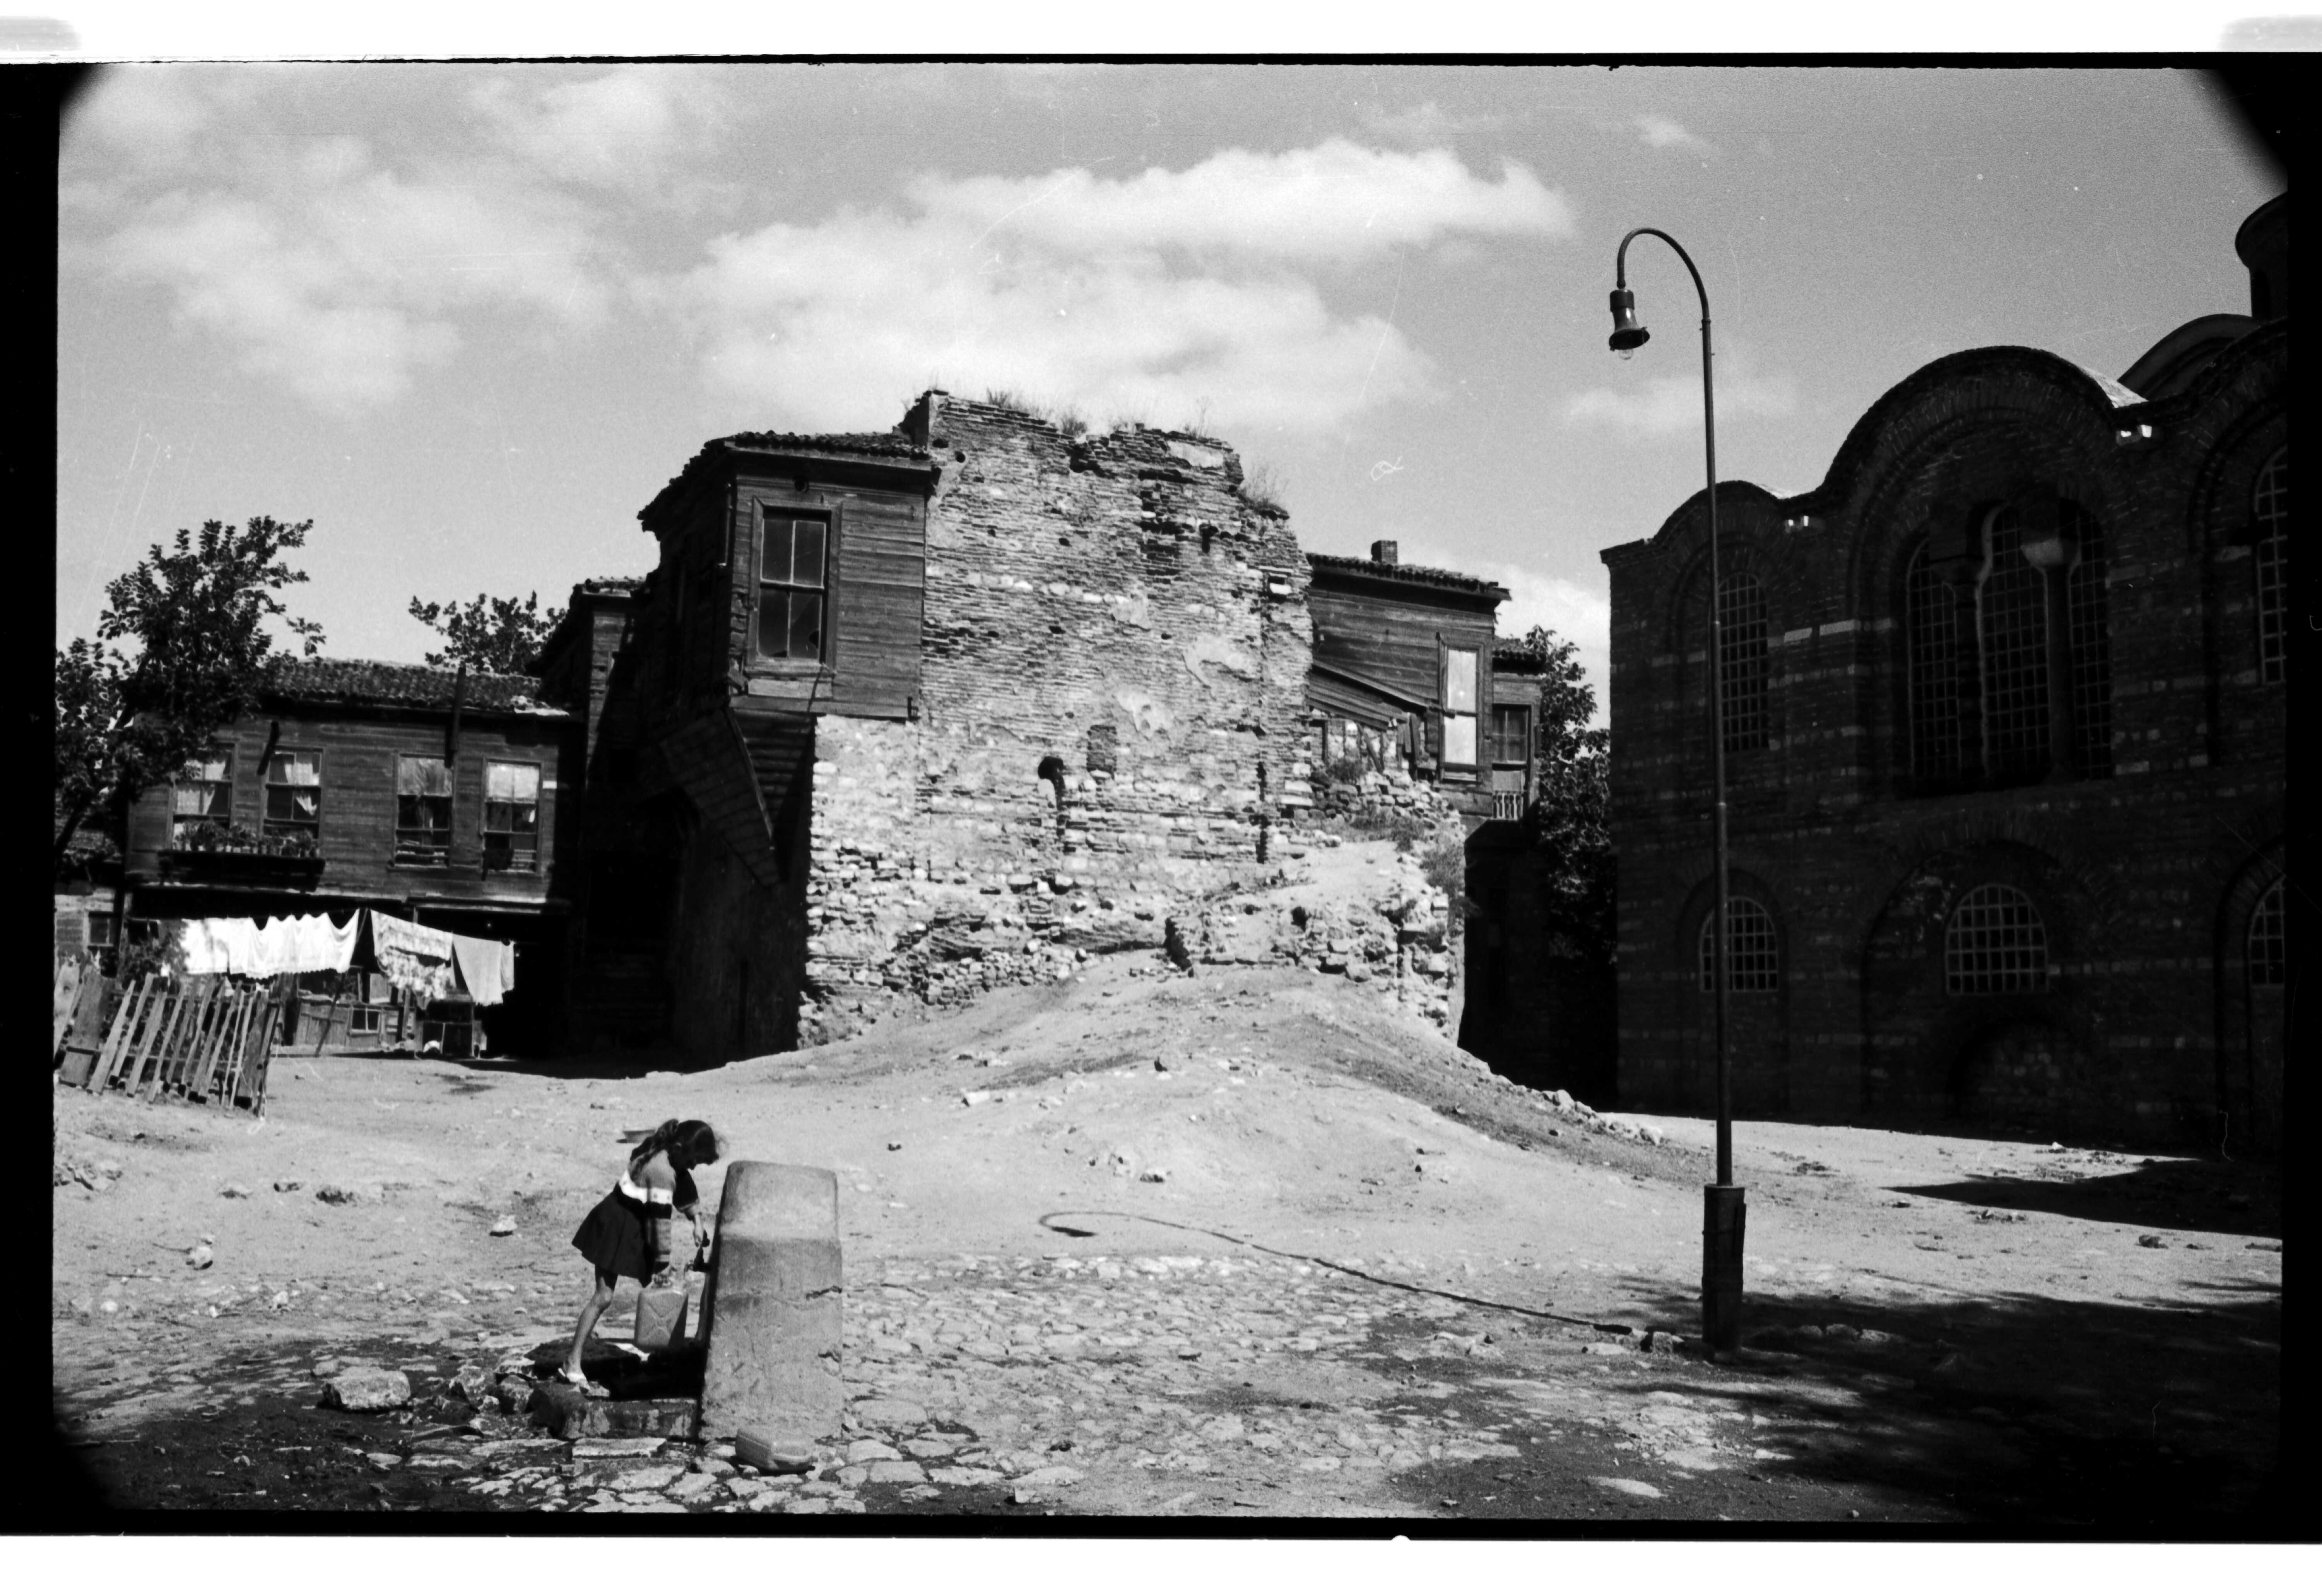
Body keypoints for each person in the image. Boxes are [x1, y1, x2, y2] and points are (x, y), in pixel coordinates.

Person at [558, 1118, 720, 1394]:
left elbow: (682, 1180)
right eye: (693, 1161)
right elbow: (660, 1225)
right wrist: (663, 1263)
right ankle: (571, 1362)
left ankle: (657, 1351)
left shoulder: (663, 1151)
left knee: (640, 1287)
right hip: (616, 1226)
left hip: (627, 1221)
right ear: (679, 1149)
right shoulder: (661, 1171)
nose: (693, 1167)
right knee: (604, 1297)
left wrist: (696, 1219)